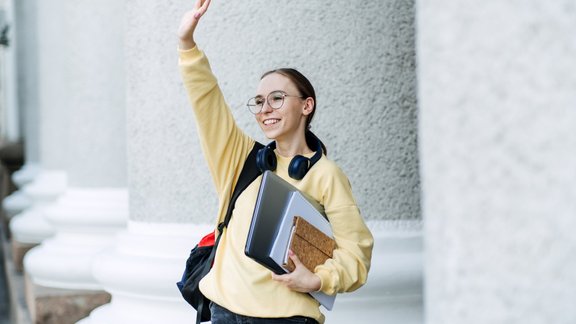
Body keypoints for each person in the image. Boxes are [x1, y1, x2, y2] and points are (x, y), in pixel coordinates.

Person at [177, 1, 374, 323]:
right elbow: (207, 102)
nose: (265, 108)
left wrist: (320, 280)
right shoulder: (240, 158)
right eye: (259, 101)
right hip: (224, 311)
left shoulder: (326, 175)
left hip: (288, 318)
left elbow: (357, 253)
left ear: (306, 105)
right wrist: (187, 45)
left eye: (277, 98)